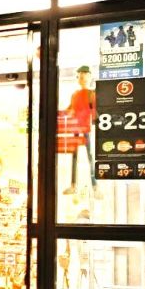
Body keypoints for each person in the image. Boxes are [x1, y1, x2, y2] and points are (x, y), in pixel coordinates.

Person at [65, 65, 96, 194]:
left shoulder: (91, 94)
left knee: (90, 156)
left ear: (89, 77)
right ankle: (73, 185)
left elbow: (94, 110)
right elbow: (70, 108)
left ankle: (94, 185)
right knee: (74, 156)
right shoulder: (75, 94)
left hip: (85, 127)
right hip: (76, 127)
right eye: (79, 77)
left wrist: (95, 121)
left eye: (84, 76)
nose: (81, 79)